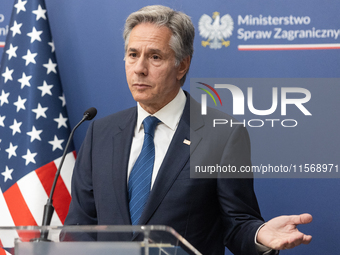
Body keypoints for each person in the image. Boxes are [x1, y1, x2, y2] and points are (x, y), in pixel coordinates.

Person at [64, 5, 312, 255]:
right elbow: (79, 226)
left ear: (182, 65)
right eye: (132, 54)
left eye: (155, 57)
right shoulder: (100, 134)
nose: (139, 68)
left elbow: (237, 224)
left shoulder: (223, 135)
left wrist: (260, 235)